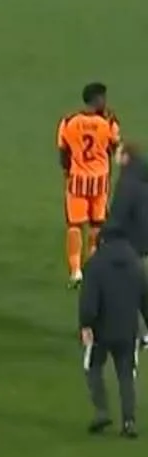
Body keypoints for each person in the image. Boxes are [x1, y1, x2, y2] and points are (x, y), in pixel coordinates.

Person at [78, 224, 148, 438]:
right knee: (127, 376)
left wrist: (86, 324)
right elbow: (145, 300)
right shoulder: (136, 265)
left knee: (93, 368)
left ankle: (102, 412)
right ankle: (129, 422)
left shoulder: (95, 264)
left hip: (101, 330)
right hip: (128, 330)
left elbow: (89, 300)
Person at [57, 82, 120, 287]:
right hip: (99, 181)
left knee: (75, 225)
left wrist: (68, 172)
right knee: (97, 224)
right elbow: (115, 148)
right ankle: (92, 266)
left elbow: (63, 153)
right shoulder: (108, 122)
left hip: (77, 180)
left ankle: (75, 271)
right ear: (98, 99)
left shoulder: (69, 121)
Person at [107, 143, 148, 346]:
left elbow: (118, 214)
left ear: (125, 157)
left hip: (132, 243)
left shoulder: (127, 182)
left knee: (131, 288)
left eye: (118, 153)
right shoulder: (143, 177)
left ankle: (135, 331)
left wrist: (106, 236)